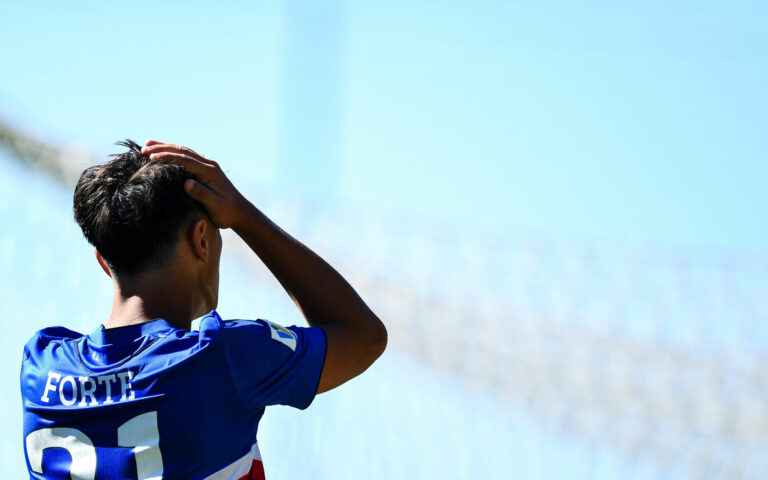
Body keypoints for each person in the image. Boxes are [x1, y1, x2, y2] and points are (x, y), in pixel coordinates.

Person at [20, 140, 387, 479]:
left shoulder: (41, 367)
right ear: (201, 239)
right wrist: (243, 214)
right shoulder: (223, 356)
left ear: (103, 261)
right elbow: (363, 335)